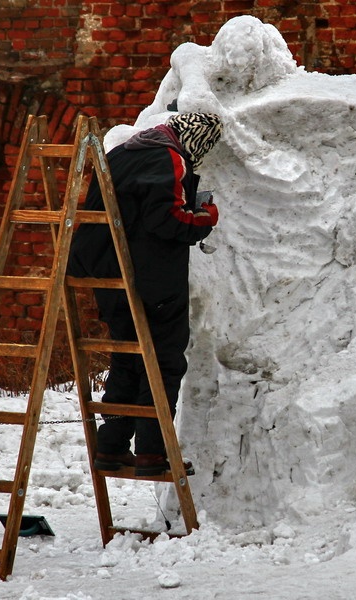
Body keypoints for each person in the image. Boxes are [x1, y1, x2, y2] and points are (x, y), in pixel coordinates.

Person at [68, 112, 223, 477]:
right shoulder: (168, 157)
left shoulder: (123, 152)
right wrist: (206, 214)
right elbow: (167, 220)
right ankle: (153, 453)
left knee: (127, 359)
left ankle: (112, 446)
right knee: (164, 361)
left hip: (109, 276)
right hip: (149, 279)